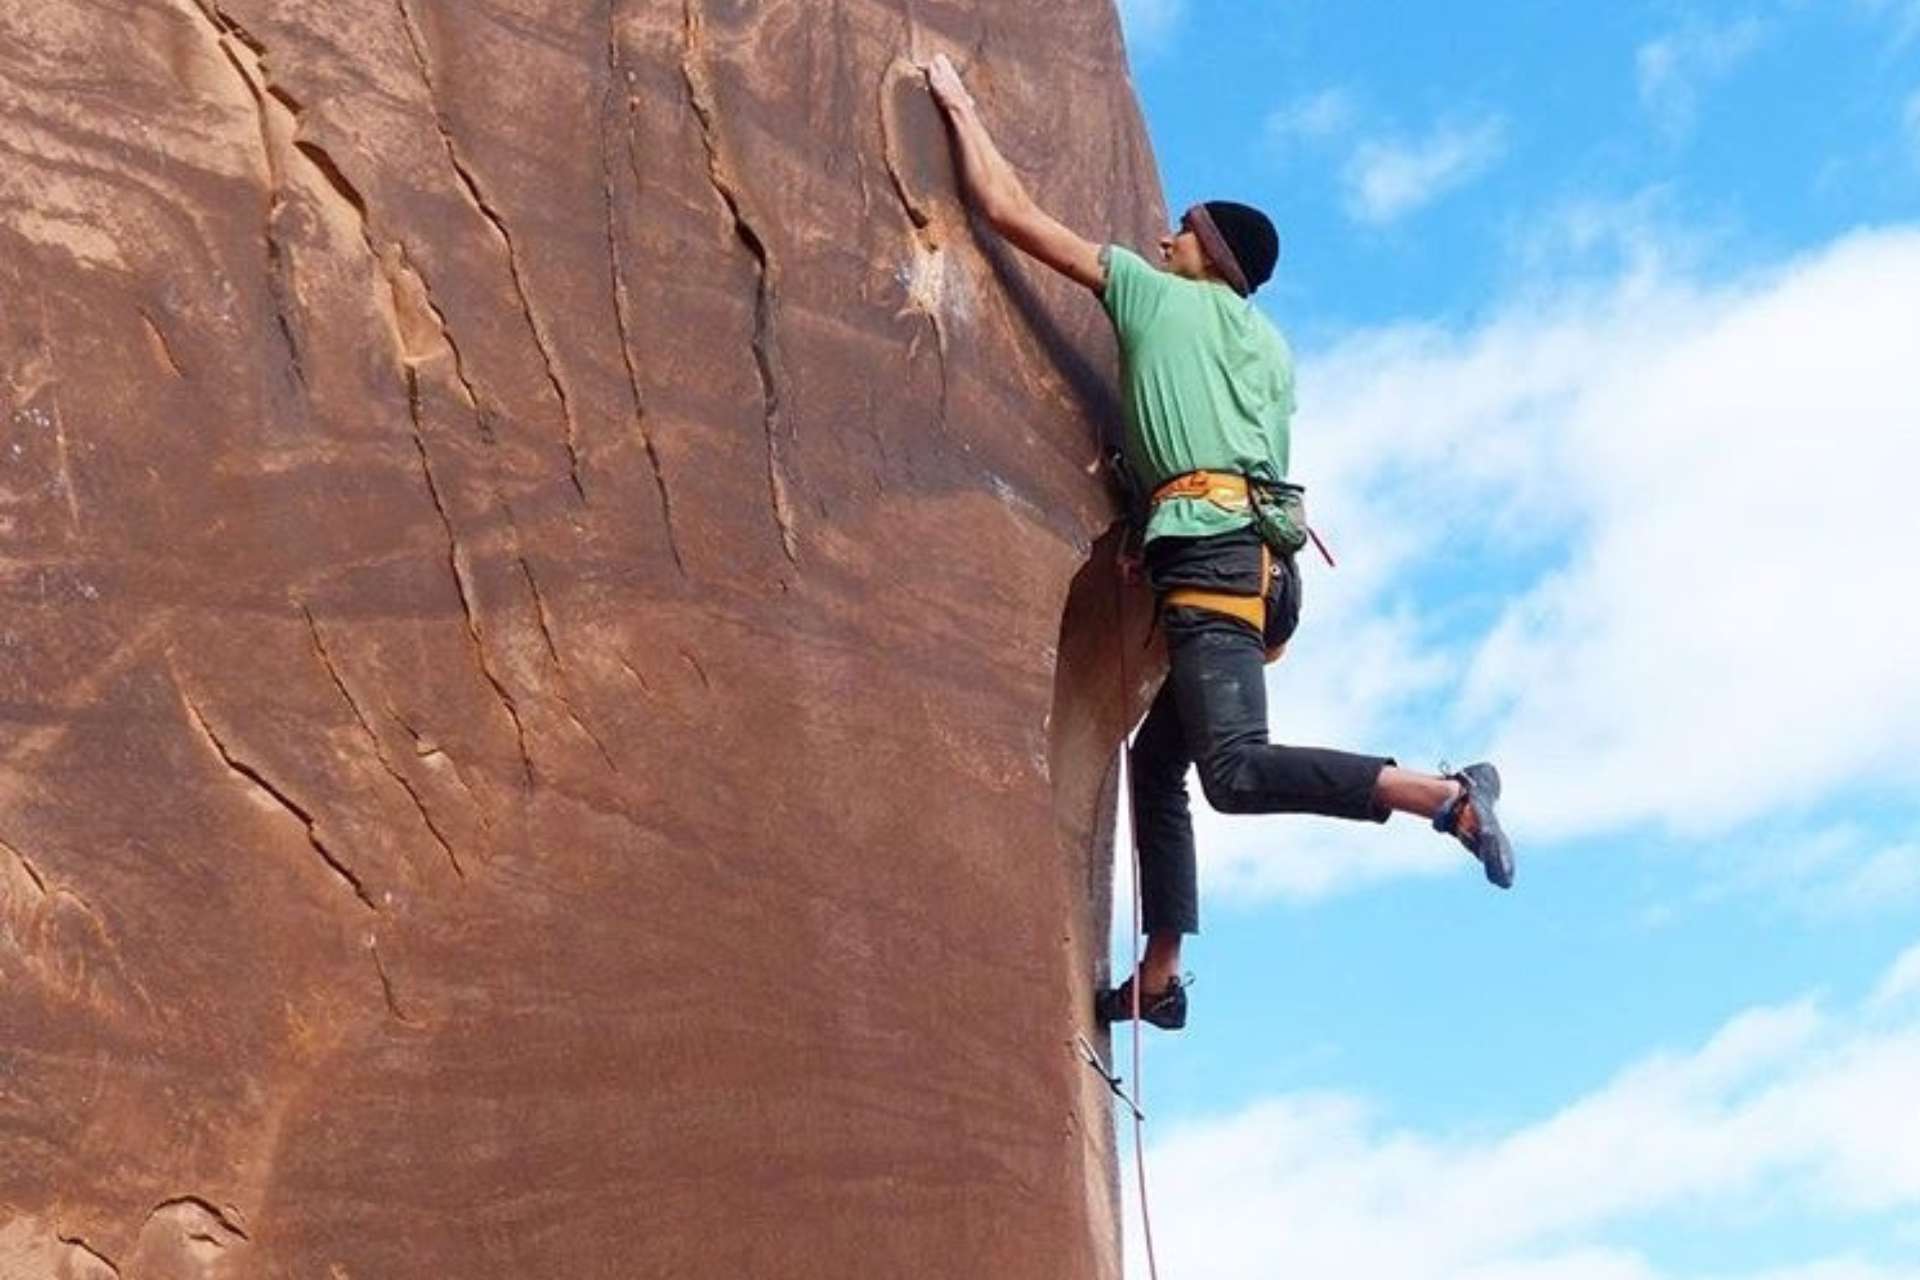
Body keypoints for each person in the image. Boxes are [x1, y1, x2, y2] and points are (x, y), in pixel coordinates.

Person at [924, 55, 1512, 1032]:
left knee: (1234, 771)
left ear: (1211, 255)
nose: (1165, 238)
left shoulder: (1153, 294)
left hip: (1213, 563)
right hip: (1263, 573)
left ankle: (1443, 795)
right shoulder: (1271, 350)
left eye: (1182, 231)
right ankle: (1157, 977)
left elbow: (1007, 212)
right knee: (1159, 762)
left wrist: (956, 104)